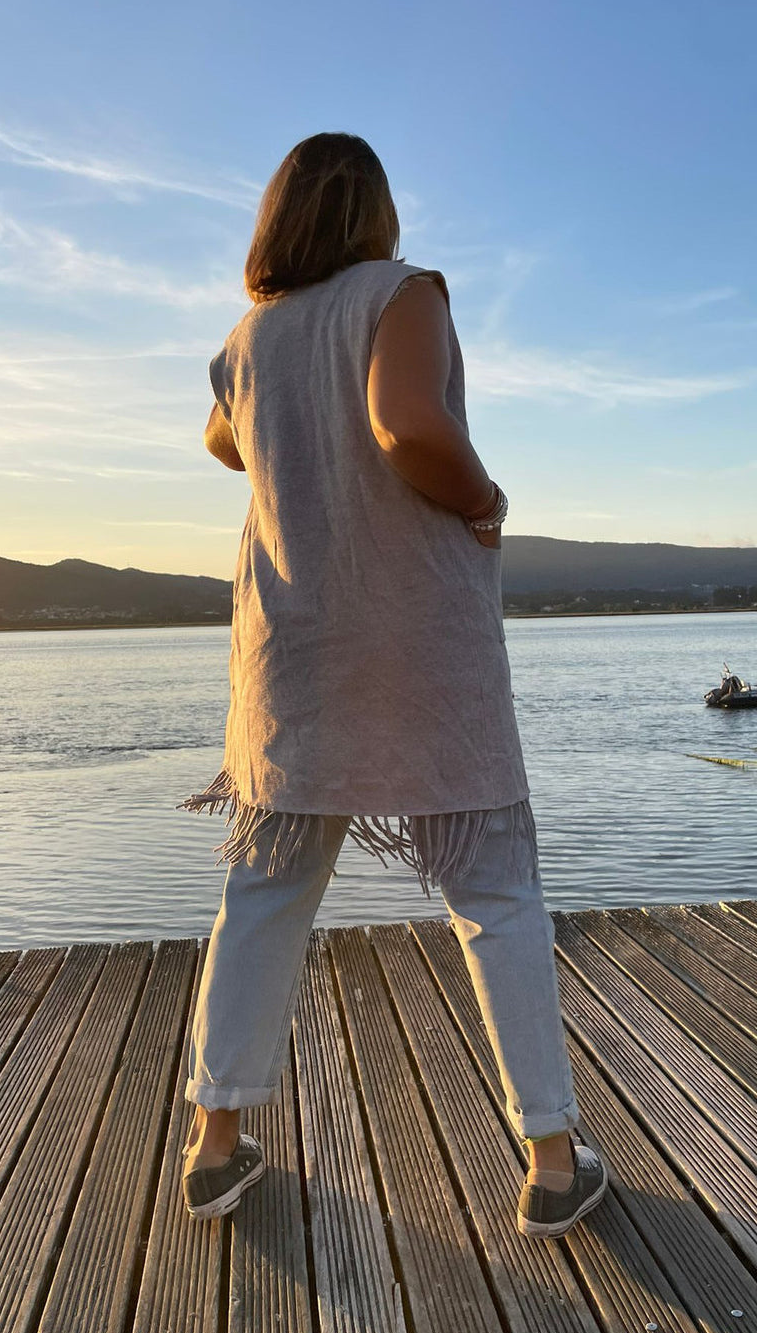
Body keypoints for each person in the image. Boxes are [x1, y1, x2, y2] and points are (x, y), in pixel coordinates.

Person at [178, 133, 605, 1240]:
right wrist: (484, 493)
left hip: (294, 657)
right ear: (375, 210)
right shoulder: (406, 293)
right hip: (417, 639)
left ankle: (216, 1143)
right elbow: (407, 423)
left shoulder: (250, 335)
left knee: (265, 896)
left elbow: (225, 440)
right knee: (495, 893)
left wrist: (279, 409)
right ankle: (553, 1157)